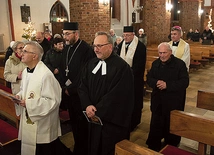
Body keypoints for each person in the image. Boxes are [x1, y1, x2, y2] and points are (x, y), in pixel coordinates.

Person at [78, 31, 134, 155]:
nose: (96, 50)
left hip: (111, 122)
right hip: (93, 118)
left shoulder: (122, 68)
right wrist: (87, 105)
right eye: (94, 46)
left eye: (99, 46)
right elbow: (82, 86)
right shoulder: (91, 64)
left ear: (110, 46)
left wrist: (97, 110)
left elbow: (118, 95)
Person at [14, 41, 68, 155]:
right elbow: (25, 90)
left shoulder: (46, 75)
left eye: (25, 51)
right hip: (30, 118)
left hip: (42, 124)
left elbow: (53, 100)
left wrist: (29, 104)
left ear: (35, 56)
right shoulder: (25, 71)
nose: (21, 54)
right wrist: (19, 95)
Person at [146, 42, 189, 151]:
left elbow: (184, 82)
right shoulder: (156, 64)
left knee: (171, 126)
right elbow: (149, 78)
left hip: (173, 102)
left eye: (164, 52)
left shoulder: (180, 64)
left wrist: (167, 85)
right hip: (158, 102)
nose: (162, 55)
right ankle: (154, 145)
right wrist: (156, 82)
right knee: (156, 124)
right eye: (160, 53)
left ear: (170, 52)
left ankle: (171, 146)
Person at [60, 22, 95, 155]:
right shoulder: (67, 48)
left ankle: (84, 149)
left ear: (76, 34)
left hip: (80, 94)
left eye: (68, 34)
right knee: (74, 123)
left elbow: (85, 74)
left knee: (82, 126)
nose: (65, 37)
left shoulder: (86, 49)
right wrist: (65, 85)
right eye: (64, 34)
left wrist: (72, 88)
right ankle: (78, 147)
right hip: (69, 93)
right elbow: (63, 67)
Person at [117, 26, 146, 131]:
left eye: (127, 35)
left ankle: (134, 121)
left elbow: (139, 65)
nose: (125, 37)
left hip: (135, 79)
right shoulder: (120, 45)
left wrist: (128, 74)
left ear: (133, 35)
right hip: (122, 80)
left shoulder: (140, 47)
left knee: (135, 101)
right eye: (124, 35)